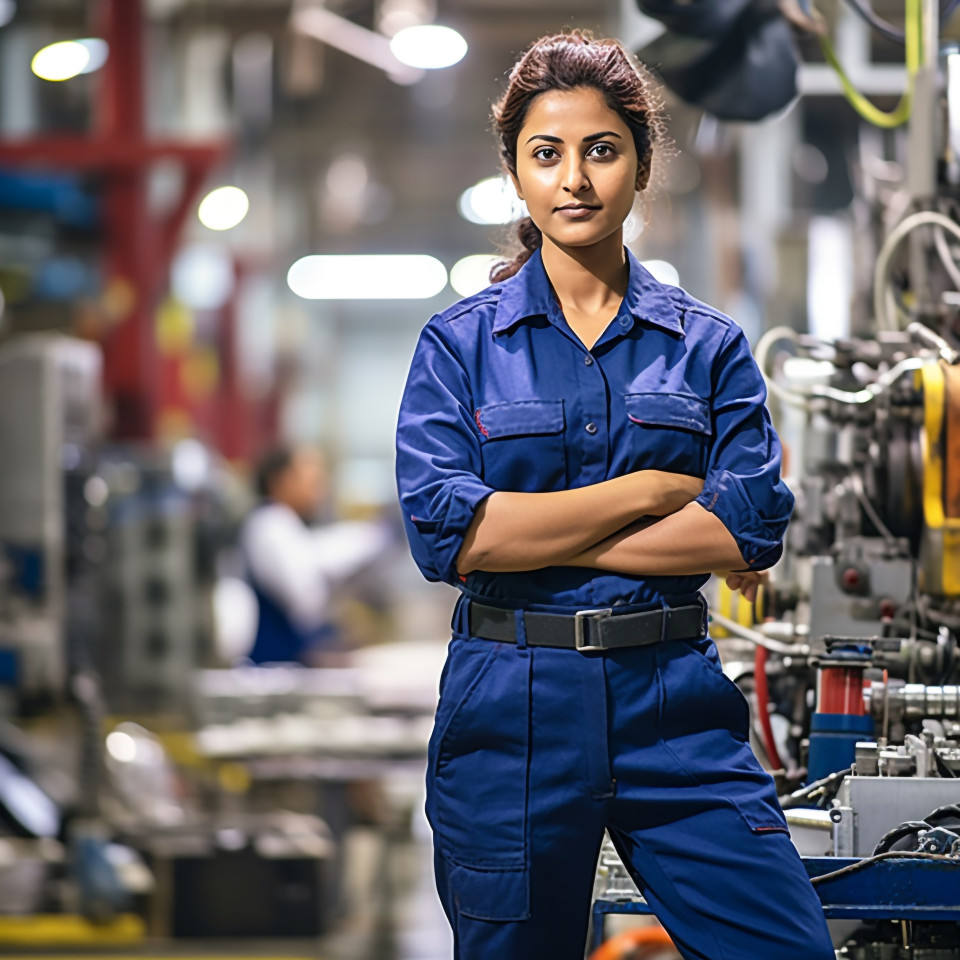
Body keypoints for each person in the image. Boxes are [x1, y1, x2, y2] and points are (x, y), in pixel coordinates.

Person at [394, 31, 834, 960]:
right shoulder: (460, 347)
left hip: (672, 702)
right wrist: (650, 491)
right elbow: (448, 536)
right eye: (545, 154)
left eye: (601, 149)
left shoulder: (706, 347)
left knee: (787, 948)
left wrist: (530, 533)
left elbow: (748, 527)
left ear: (639, 162)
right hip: (509, 709)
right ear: (516, 171)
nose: (575, 179)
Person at [241, 445, 388, 664]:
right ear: (281, 480)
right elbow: (307, 600)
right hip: (275, 664)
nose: (319, 489)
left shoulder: (283, 524)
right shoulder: (271, 523)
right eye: (311, 479)